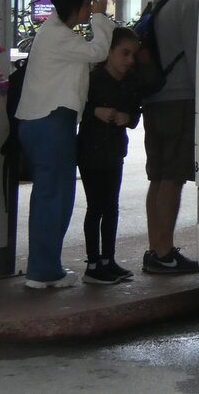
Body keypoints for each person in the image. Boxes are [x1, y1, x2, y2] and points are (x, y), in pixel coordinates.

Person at [15, 0, 115, 289]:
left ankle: (46, 268)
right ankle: (42, 272)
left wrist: (96, 16)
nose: (90, 9)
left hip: (48, 121)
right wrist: (101, 17)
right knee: (53, 197)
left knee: (55, 196)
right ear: (75, 4)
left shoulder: (58, 34)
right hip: (50, 122)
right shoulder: (58, 36)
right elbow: (99, 51)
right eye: (87, 3)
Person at [142, 0, 199, 274]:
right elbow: (196, 59)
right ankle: (165, 253)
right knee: (173, 178)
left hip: (154, 99)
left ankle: (156, 248)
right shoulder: (188, 5)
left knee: (158, 177)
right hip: (179, 100)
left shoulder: (156, 4)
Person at [77, 27, 142, 285]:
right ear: (109, 52)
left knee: (111, 206)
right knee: (96, 206)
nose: (129, 60)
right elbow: (79, 106)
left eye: (133, 55)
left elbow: (135, 114)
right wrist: (96, 112)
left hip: (114, 150)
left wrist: (128, 118)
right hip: (91, 151)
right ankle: (93, 264)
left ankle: (108, 259)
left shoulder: (130, 82)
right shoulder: (93, 79)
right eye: (125, 53)